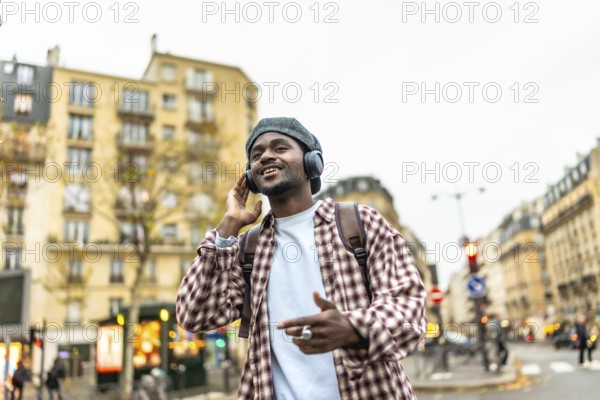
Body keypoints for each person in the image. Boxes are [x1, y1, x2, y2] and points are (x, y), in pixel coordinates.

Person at [176, 117, 427, 399]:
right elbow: (194, 315)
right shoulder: (247, 246)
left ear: (312, 162)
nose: (266, 156)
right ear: (251, 175)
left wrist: (352, 329)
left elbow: (408, 310)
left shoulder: (359, 222)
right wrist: (228, 227)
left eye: (280, 148)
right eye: (256, 155)